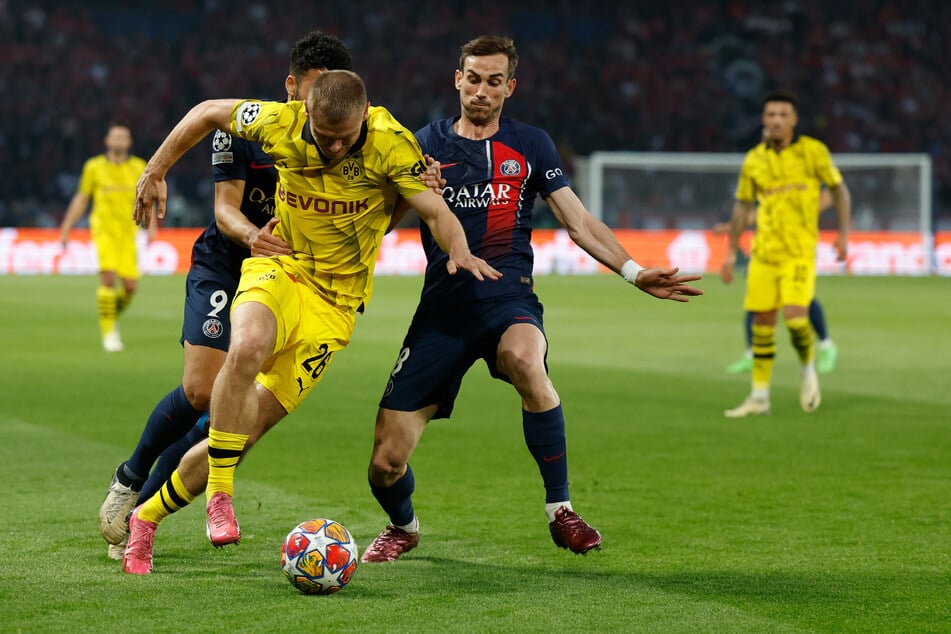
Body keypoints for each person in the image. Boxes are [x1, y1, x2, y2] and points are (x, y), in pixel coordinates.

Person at [121, 69, 500, 574]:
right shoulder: (279, 121)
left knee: (244, 430)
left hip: (335, 307)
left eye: (345, 137)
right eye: (324, 136)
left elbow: (435, 209)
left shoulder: (392, 143)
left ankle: (145, 519)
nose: (335, 147)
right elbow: (208, 109)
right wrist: (157, 167)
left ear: (364, 116)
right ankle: (220, 493)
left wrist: (460, 249)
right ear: (307, 116)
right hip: (282, 266)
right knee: (247, 343)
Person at [360, 35, 704, 563]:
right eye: (473, 78)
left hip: (509, 301)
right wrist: (407, 189)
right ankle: (403, 527)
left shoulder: (532, 144)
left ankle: (560, 509)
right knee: (385, 463)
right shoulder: (422, 143)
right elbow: (381, 222)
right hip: (442, 313)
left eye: (494, 81)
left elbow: (579, 220)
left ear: (510, 87)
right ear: (457, 79)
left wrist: (633, 272)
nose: (481, 90)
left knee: (526, 359)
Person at [95, 31, 353, 561]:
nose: (318, 107)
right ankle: (130, 476)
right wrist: (251, 232)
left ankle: (144, 511)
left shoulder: (343, 137)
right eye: (311, 91)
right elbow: (225, 210)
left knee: (226, 414)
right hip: (228, 262)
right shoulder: (250, 128)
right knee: (199, 389)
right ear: (290, 86)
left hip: (288, 278)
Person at [720, 90, 850, 418]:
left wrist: (844, 234)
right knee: (762, 322)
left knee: (795, 319)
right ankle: (760, 396)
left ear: (794, 120)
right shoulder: (754, 160)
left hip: (799, 252)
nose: (776, 120)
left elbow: (838, 190)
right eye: (771, 115)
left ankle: (808, 369)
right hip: (764, 253)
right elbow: (742, 207)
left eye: (783, 114)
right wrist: (730, 251)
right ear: (764, 121)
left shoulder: (813, 152)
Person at [59, 123, 156, 352]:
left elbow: (148, 198)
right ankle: (109, 333)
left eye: (124, 136)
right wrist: (66, 228)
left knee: (131, 287)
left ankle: (109, 314)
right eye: (115, 136)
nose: (119, 140)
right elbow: (82, 198)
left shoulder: (138, 166)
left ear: (129, 142)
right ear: (107, 141)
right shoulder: (94, 167)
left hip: (129, 233)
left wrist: (151, 227)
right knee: (108, 279)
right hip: (104, 232)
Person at [722, 188, 838, 375]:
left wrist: (795, 215)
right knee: (756, 302)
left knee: (802, 300)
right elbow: (758, 212)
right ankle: (752, 355)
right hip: (766, 250)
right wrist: (733, 227)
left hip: (796, 249)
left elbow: (828, 196)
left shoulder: (802, 169)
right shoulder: (766, 174)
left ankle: (826, 346)